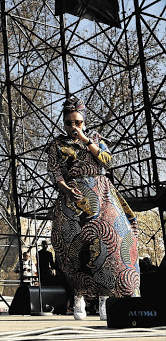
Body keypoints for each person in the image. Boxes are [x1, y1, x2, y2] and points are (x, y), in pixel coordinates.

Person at [45, 96, 140, 320]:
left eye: (77, 122)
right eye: (68, 123)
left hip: (102, 193)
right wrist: (67, 190)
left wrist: (86, 140)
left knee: (112, 243)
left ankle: (105, 298)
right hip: (72, 198)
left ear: (84, 122)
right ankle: (78, 296)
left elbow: (108, 161)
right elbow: (54, 173)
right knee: (72, 250)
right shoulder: (57, 144)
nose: (72, 127)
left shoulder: (95, 138)